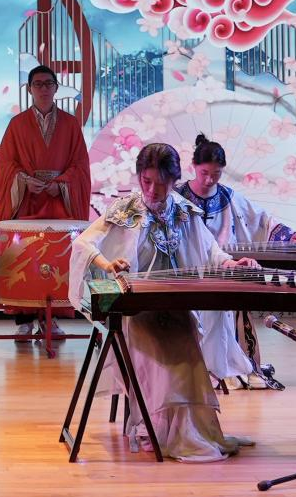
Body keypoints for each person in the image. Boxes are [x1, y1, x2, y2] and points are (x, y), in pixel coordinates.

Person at [67, 143, 258, 462]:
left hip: (174, 305)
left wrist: (230, 263)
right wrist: (107, 264)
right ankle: (153, 428)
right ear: (139, 177)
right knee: (165, 357)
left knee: (188, 357)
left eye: (161, 183)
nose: (153, 190)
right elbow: (84, 243)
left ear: (174, 180)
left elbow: (210, 249)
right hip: (137, 310)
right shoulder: (127, 209)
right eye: (147, 181)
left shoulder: (183, 210)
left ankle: (185, 431)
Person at [177, 133, 296, 389]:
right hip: (188, 270)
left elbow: (261, 220)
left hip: (223, 268)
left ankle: (226, 366)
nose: (209, 180)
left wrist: (288, 235)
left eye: (216, 174)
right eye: (204, 173)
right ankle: (193, 369)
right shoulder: (179, 197)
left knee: (230, 312)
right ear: (193, 166)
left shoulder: (228, 197)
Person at [0, 64, 92, 338]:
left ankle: (52, 318)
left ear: (56, 88)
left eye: (48, 83)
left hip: (58, 202)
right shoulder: (17, 124)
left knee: (57, 259)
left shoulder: (70, 124)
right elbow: (5, 164)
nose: (43, 89)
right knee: (24, 259)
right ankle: (24, 318)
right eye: (38, 84)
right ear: (29, 89)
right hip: (27, 201)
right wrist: (24, 181)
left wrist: (61, 184)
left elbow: (80, 165)